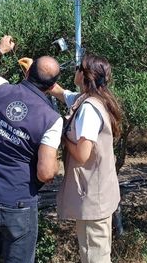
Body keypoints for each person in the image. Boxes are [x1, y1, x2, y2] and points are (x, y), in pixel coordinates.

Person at [0, 35, 62, 263]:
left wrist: (1, 50)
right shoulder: (51, 119)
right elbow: (46, 173)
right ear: (51, 87)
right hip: (17, 204)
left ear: (27, 73)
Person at [49, 54, 123, 263]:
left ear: (84, 75)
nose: (75, 70)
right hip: (99, 194)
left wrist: (61, 135)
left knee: (94, 257)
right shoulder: (94, 98)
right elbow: (62, 94)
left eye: (77, 68)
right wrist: (35, 72)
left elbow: (82, 154)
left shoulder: (89, 109)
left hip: (92, 199)